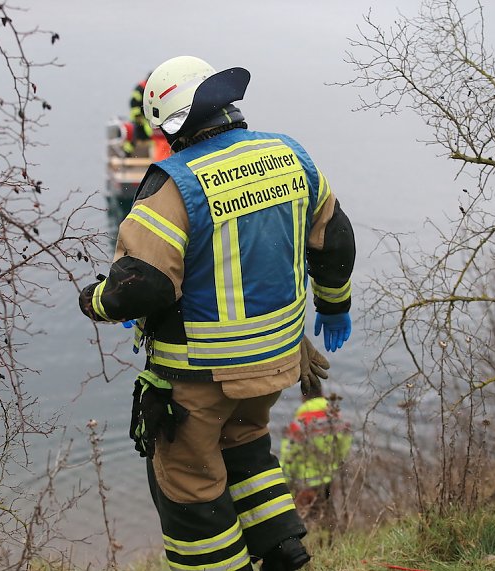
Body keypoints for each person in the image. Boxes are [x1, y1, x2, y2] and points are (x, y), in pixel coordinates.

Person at [79, 55, 356, 571]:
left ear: (169, 124)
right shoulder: (289, 155)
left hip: (199, 376)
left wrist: (95, 299)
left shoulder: (174, 185)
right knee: (246, 447)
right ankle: (285, 553)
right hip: (275, 363)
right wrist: (334, 305)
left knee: (189, 481)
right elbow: (334, 238)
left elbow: (143, 288)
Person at [279, 360, 353, 525]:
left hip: (304, 481)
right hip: (328, 475)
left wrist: (286, 481)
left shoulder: (299, 424)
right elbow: (345, 442)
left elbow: (288, 455)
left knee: (305, 518)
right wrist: (336, 462)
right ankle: (329, 538)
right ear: (322, 392)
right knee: (326, 512)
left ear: (303, 396)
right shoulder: (336, 418)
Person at [122, 73, 153, 156]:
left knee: (150, 134)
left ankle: (152, 154)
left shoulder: (150, 89)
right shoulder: (140, 88)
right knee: (134, 133)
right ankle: (127, 153)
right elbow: (133, 103)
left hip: (146, 118)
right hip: (138, 117)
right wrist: (138, 116)